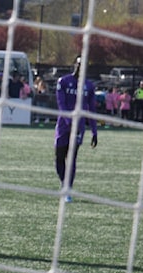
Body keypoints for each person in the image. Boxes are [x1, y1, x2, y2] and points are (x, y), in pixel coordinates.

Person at [54, 55, 98, 203]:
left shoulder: (89, 86)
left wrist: (94, 131)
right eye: (79, 64)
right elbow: (61, 104)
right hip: (63, 126)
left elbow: (91, 110)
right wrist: (68, 120)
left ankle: (68, 188)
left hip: (78, 127)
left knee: (72, 158)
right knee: (59, 158)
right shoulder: (64, 81)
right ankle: (64, 183)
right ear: (75, 65)